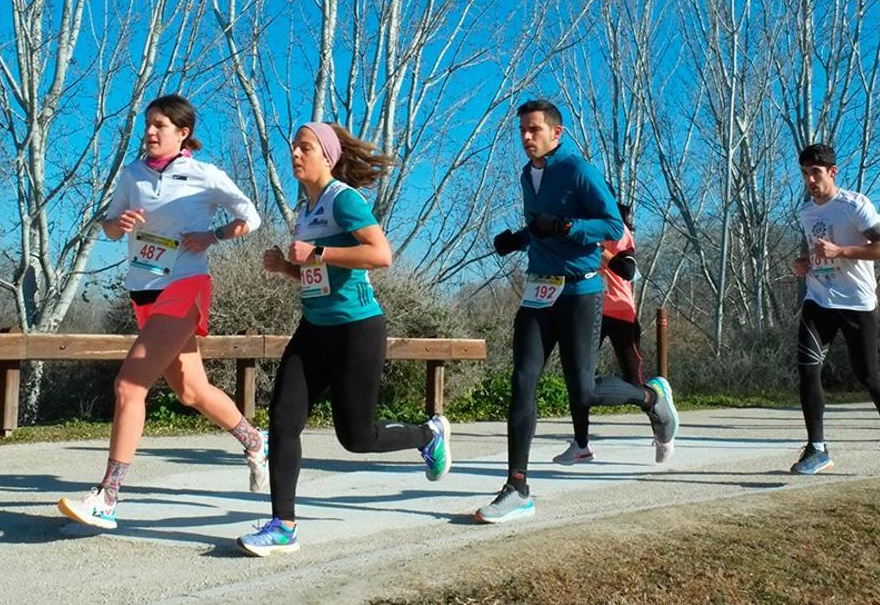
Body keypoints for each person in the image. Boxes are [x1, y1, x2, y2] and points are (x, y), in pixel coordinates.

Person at [236, 122, 451, 556]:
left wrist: (316, 252)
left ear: (327, 157)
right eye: (293, 147)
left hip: (357, 329)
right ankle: (283, 526)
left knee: (356, 437)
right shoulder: (307, 208)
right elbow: (320, 276)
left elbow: (380, 254)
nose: (295, 154)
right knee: (282, 418)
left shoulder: (343, 199)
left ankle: (428, 435)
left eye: (305, 147)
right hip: (314, 328)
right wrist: (287, 269)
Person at [58, 94, 264, 530]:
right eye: (147, 124)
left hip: (185, 285)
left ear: (182, 133)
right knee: (191, 391)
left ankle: (107, 497)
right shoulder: (132, 174)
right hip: (145, 289)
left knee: (129, 386)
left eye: (160, 126)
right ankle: (253, 439)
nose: (150, 132)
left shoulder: (204, 175)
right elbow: (110, 225)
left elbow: (251, 217)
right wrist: (120, 224)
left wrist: (214, 235)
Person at [479, 99, 678, 523]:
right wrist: (517, 240)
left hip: (581, 293)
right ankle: (517, 488)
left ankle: (651, 397)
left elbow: (611, 226)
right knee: (522, 381)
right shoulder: (526, 176)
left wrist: (569, 227)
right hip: (538, 293)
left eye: (534, 129)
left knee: (583, 392)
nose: (527, 137)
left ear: (557, 132)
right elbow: (539, 228)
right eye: (522, 131)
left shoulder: (579, 170)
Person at [790, 143, 880, 475]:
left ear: (832, 172)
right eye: (805, 174)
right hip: (819, 298)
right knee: (807, 368)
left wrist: (841, 250)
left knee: (867, 374)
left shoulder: (854, 205)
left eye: (816, 173)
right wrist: (805, 262)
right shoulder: (807, 212)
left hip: (856, 302)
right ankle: (817, 448)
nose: (810, 180)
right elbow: (819, 253)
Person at [553, 198, 660, 465]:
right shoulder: (580, 229)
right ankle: (581, 444)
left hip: (621, 313)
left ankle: (660, 420)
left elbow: (630, 271)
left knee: (634, 380)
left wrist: (601, 252)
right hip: (589, 312)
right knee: (579, 379)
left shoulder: (618, 230)